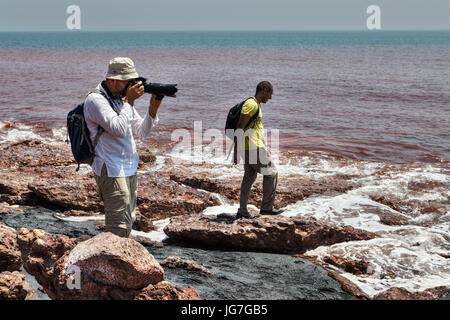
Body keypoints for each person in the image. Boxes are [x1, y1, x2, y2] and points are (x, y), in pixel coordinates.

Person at [84, 57, 163, 237]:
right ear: (112, 80)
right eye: (127, 82)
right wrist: (129, 101)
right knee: (118, 224)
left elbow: (141, 131)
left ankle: (121, 259)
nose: (131, 86)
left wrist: (153, 108)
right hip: (110, 167)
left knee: (128, 219)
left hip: (128, 166)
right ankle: (111, 259)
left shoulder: (121, 100)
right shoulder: (96, 100)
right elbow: (118, 129)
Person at [233, 81, 284, 219]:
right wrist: (236, 151)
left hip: (251, 147)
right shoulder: (251, 104)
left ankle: (242, 211)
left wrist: (264, 146)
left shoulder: (256, 105)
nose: (270, 98)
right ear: (263, 90)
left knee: (249, 178)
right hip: (252, 148)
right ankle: (267, 208)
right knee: (271, 173)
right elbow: (239, 126)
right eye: (270, 94)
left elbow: (255, 128)